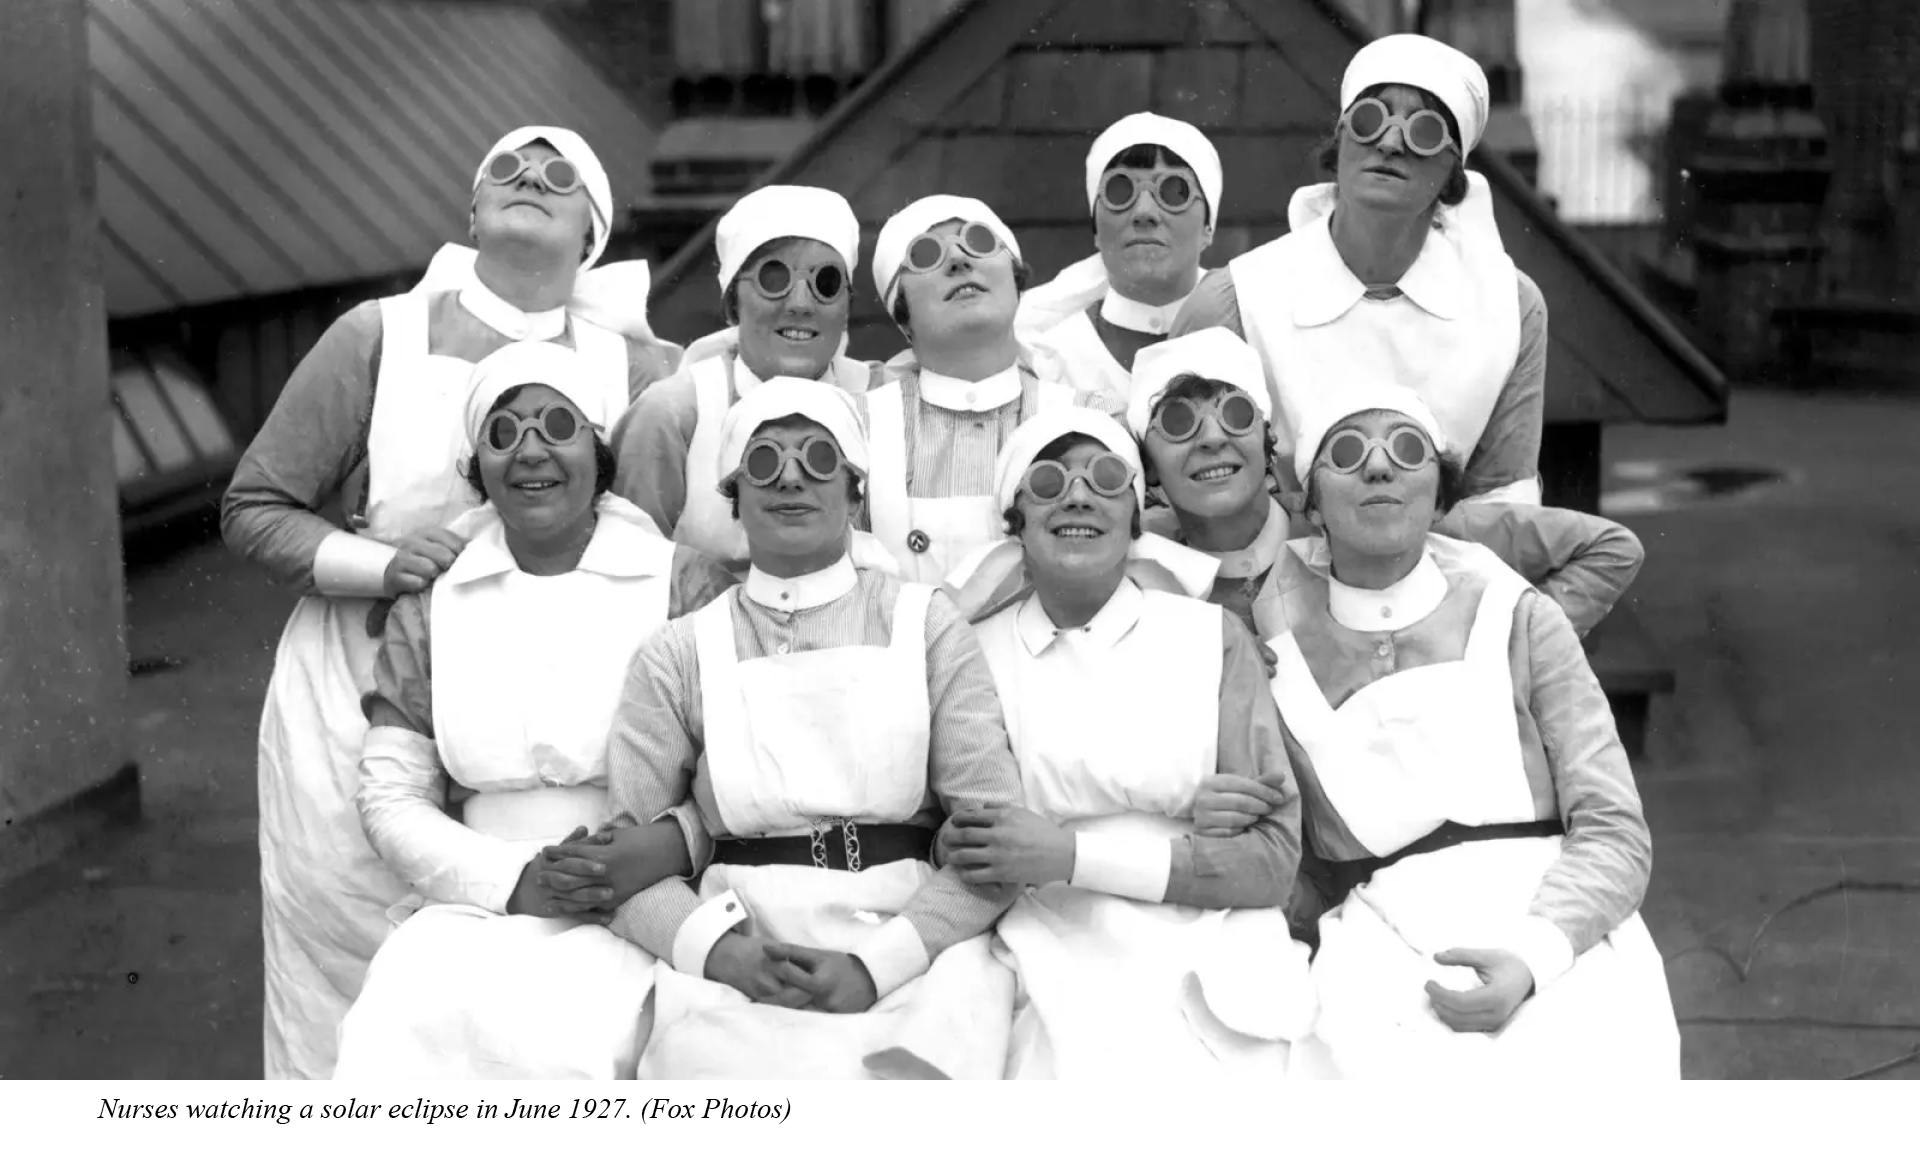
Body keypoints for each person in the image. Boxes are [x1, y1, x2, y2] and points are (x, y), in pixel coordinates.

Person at [222, 124, 679, 1079]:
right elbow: (254, 507)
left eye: (559, 173)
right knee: (352, 976)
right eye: (506, 167)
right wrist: (382, 564)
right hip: (358, 692)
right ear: (471, 214)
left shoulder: (637, 370)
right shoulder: (377, 335)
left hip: (556, 703)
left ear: (593, 232)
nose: (530, 176)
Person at [1196, 384, 1678, 1080]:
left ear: (1439, 495)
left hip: (1561, 933)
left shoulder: (1519, 616)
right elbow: (1303, 875)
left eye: (1407, 449)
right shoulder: (1267, 653)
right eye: (1347, 453)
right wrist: (1234, 831)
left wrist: (1533, 957)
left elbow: (1615, 830)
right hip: (1378, 955)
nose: (1379, 467)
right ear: (1312, 505)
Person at [599, 381, 1026, 1079]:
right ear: (734, 498)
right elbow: (629, 862)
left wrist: (879, 963)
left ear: (855, 495)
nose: (791, 477)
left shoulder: (926, 625)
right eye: (765, 461)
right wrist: (719, 951)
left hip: (916, 943)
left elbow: (994, 842)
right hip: (738, 943)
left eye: (820, 459)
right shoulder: (677, 652)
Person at [332, 342, 734, 1078]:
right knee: (401, 1028)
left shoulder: (685, 584)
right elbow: (390, 798)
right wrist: (515, 880)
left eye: (556, 424)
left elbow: (741, 774)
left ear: (597, 451)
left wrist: (672, 845)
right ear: (478, 468)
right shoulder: (432, 605)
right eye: (503, 432)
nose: (530, 451)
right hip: (477, 906)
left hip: (654, 895)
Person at [938, 408, 1316, 1079]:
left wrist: (1068, 854)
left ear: (1137, 518)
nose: (1078, 496)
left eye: (1107, 478)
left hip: (1214, 935)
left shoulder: (1211, 637)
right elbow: (951, 843)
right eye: (1048, 482)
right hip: (1041, 943)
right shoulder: (971, 656)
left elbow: (1269, 863)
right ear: (1014, 520)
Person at [1171, 34, 1547, 507]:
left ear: (1453, 172)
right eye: (1369, 120)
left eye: (1424, 131)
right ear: (1340, 142)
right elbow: (1185, 487)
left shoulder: (1510, 308)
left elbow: (1502, 503)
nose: (1389, 142)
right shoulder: (1233, 304)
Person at [1130, 329, 1643, 643]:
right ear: (1147, 467)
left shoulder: (1362, 514)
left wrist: (1515, 647)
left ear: (1268, 444)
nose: (1212, 439)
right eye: (1178, 423)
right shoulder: (1133, 565)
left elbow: (1608, 548)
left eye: (1236, 414)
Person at [860, 194, 1123, 585]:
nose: (958, 259)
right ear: (902, 314)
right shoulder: (858, 429)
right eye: (926, 255)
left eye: (979, 241)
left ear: (1016, 282)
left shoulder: (1095, 420)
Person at [612, 185, 874, 570]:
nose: (801, 303)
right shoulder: (672, 415)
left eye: (826, 283)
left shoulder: (880, 402)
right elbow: (627, 573)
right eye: (774, 279)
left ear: (847, 306)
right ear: (733, 301)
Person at [1018, 112, 1223, 403]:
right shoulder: (1049, 363)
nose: (1144, 212)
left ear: (1207, 228)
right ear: (1096, 231)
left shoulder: (1256, 342)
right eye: (1120, 192)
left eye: (1174, 192)